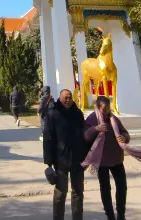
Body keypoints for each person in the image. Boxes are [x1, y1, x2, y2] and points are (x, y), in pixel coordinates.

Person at [83, 96, 130, 220]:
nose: (106, 111)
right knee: (105, 188)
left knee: (122, 186)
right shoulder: (92, 118)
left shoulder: (113, 118)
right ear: (98, 107)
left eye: (108, 108)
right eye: (103, 109)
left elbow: (125, 133)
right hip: (101, 160)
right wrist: (95, 129)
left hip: (117, 159)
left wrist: (124, 138)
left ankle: (121, 214)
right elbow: (85, 137)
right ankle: (110, 215)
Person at [43, 89, 86, 220]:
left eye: (70, 98)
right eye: (65, 98)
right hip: (60, 160)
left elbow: (84, 136)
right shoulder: (53, 114)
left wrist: (86, 157)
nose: (68, 101)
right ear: (60, 99)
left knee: (78, 193)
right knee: (60, 194)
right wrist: (49, 161)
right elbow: (48, 139)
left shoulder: (78, 114)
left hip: (77, 159)